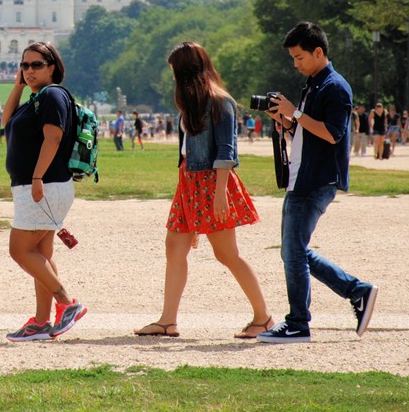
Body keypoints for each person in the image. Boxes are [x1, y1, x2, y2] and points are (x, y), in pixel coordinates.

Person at [134, 42, 270, 340]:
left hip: (212, 183)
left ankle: (263, 317)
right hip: (190, 182)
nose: (173, 79)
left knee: (227, 254)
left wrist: (219, 193)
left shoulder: (220, 102)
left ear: (187, 73)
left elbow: (226, 151)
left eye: (175, 73)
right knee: (175, 247)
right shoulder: (191, 102)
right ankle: (168, 320)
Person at [260, 21, 376, 343]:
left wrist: (294, 114)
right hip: (305, 176)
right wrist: (286, 122)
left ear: (318, 52)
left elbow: (332, 133)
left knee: (293, 250)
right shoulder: (315, 84)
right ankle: (357, 291)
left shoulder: (335, 86)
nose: (295, 64)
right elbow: (309, 132)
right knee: (293, 250)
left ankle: (299, 322)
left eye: (299, 57)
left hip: (317, 179)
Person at [1, 41, 87, 343]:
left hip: (42, 185)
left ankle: (68, 302)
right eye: (24, 65)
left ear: (52, 67)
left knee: (20, 251)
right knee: (41, 255)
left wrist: (37, 177)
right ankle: (40, 322)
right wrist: (18, 86)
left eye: (36, 65)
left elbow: (53, 138)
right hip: (41, 186)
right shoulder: (37, 98)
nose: (28, 71)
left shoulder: (51, 95)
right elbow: (5, 123)